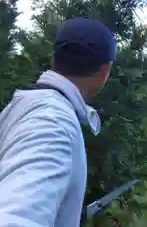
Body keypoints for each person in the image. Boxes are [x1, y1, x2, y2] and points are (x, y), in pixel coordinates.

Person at [0, 17, 116, 227]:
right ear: (104, 71)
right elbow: (15, 220)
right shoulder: (53, 122)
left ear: (55, 56)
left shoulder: (28, 104)